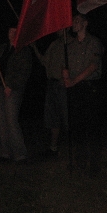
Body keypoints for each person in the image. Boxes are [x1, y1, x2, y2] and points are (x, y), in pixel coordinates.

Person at [62, 13, 104, 177]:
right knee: (77, 126)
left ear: (85, 23)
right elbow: (66, 66)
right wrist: (65, 75)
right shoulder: (71, 45)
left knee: (92, 126)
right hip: (76, 90)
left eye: (77, 21)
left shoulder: (93, 42)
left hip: (90, 88)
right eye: (73, 20)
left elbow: (93, 66)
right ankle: (80, 160)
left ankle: (94, 164)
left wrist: (74, 80)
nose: (74, 23)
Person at [0, 25, 32, 163]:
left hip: (12, 89)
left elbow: (24, 72)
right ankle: (5, 152)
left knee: (11, 120)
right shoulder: (2, 48)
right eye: (10, 31)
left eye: (15, 31)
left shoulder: (23, 50)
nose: (12, 34)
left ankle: (20, 153)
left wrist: (11, 86)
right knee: (1, 120)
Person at [32, 28, 72, 157]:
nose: (58, 30)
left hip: (65, 85)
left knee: (67, 117)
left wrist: (66, 78)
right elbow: (45, 61)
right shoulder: (54, 44)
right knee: (53, 118)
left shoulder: (72, 44)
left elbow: (75, 65)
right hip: (52, 84)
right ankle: (53, 147)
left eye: (61, 27)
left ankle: (71, 149)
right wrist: (34, 48)